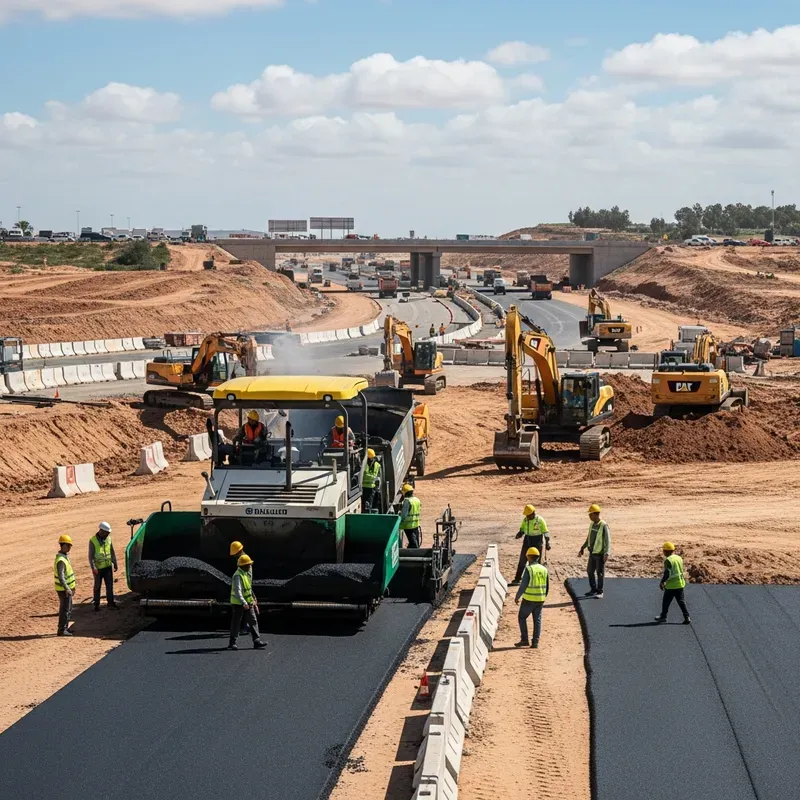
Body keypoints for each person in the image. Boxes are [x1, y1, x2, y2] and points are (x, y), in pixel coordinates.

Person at [228, 554, 266, 651]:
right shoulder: (237, 576)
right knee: (236, 622)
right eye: (248, 564)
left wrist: (253, 599)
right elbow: (238, 591)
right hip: (238, 604)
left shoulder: (245, 574)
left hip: (248, 602)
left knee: (253, 620)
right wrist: (244, 603)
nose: (250, 566)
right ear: (243, 565)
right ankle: (232, 642)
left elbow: (248, 588)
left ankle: (256, 641)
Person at [514, 547, 549, 648]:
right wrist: (543, 596)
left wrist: (517, 597)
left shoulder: (529, 569)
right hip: (540, 599)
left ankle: (524, 639)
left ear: (529, 557)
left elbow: (523, 585)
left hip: (529, 599)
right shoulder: (544, 569)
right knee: (537, 620)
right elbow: (547, 586)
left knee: (522, 617)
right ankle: (535, 642)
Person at [511, 504, 551, 585]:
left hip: (537, 541)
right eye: (526, 515)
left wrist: (547, 543)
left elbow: (546, 532)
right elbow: (522, 529)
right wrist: (520, 534)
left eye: (529, 515)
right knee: (522, 560)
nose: (527, 517)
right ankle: (517, 579)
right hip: (527, 540)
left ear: (533, 513)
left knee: (536, 562)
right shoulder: (525, 520)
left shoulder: (539, 520)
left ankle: (536, 580)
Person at [578, 504, 610, 599]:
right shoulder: (592, 524)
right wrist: (583, 547)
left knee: (599, 573)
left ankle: (600, 591)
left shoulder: (604, 525)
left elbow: (608, 540)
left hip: (600, 554)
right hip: (592, 553)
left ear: (596, 514)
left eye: (590, 514)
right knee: (590, 571)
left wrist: (606, 553)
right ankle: (593, 589)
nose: (589, 516)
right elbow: (589, 538)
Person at [655, 542, 691, 624]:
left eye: (664, 550)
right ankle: (687, 617)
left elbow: (667, 572)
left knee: (666, 601)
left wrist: (662, 582)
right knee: (681, 602)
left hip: (671, 585)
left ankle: (663, 617)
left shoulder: (668, 560)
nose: (663, 552)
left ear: (666, 551)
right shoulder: (678, 558)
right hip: (680, 583)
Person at [89, 521, 118, 611]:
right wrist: (93, 567)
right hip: (98, 569)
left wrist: (115, 562)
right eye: (107, 532)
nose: (108, 534)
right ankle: (96, 604)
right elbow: (91, 556)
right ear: (101, 531)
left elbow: (112, 551)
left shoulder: (108, 539)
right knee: (97, 586)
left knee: (110, 586)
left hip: (108, 567)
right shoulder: (93, 541)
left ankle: (111, 603)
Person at [54, 534, 76, 636]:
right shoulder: (61, 560)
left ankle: (65, 628)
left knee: (68, 608)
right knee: (65, 609)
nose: (70, 547)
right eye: (68, 545)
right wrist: (67, 588)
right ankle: (62, 630)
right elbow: (61, 576)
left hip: (67, 589)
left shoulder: (64, 557)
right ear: (63, 546)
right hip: (63, 590)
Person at [399, 483, 421, 547]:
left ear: (404, 493)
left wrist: (398, 522)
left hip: (408, 526)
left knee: (413, 543)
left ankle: (415, 554)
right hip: (416, 524)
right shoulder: (417, 500)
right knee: (415, 541)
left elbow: (403, 515)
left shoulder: (407, 501)